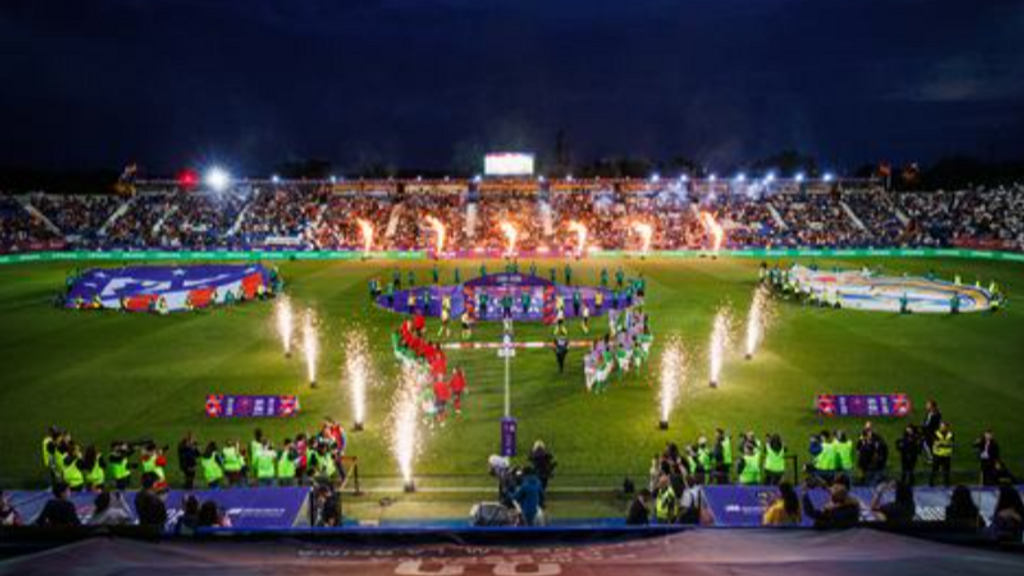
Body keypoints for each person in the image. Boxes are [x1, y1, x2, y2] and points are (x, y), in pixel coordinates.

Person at [930, 421, 954, 487]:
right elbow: (935, 443)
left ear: (947, 427)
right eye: (941, 426)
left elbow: (951, 444)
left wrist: (942, 443)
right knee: (934, 470)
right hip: (937, 455)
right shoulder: (936, 433)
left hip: (947, 455)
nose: (942, 427)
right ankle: (931, 483)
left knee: (947, 471)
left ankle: (947, 483)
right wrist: (945, 443)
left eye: (944, 426)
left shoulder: (951, 434)